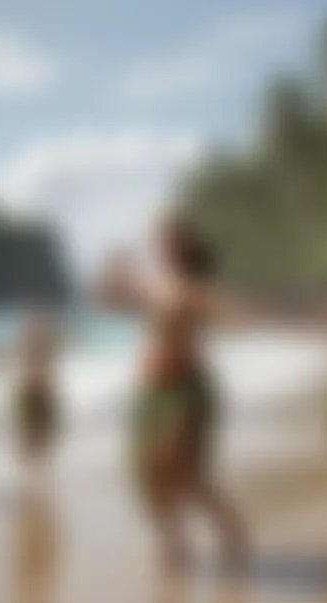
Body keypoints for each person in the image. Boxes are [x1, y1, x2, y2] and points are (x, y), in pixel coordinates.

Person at [95, 213, 252, 573]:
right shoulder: (150, 284)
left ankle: (229, 528)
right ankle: (172, 540)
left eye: (169, 236)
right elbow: (106, 298)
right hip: (149, 391)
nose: (161, 242)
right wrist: (113, 267)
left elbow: (229, 313)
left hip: (187, 390)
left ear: (184, 243)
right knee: (143, 472)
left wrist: (212, 309)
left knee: (184, 472)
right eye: (158, 237)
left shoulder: (196, 285)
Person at [12, 309, 61, 476]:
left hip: (38, 390)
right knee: (32, 438)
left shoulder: (36, 340)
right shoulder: (32, 339)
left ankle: (33, 475)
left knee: (38, 438)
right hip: (34, 390)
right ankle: (31, 475)